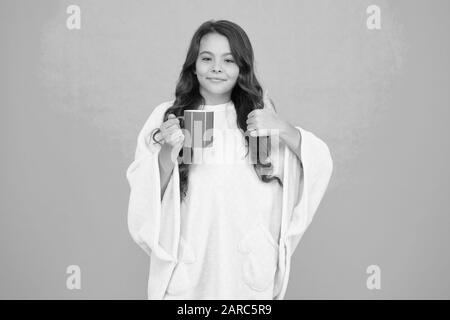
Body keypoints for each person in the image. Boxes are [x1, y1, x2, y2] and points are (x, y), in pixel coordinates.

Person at [126, 19, 333, 300]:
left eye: (229, 60)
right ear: (193, 65)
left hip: (246, 268)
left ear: (241, 68)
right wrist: (166, 153)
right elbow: (144, 195)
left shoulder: (256, 117)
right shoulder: (171, 116)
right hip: (191, 266)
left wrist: (281, 127)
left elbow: (316, 165)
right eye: (207, 58)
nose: (216, 68)